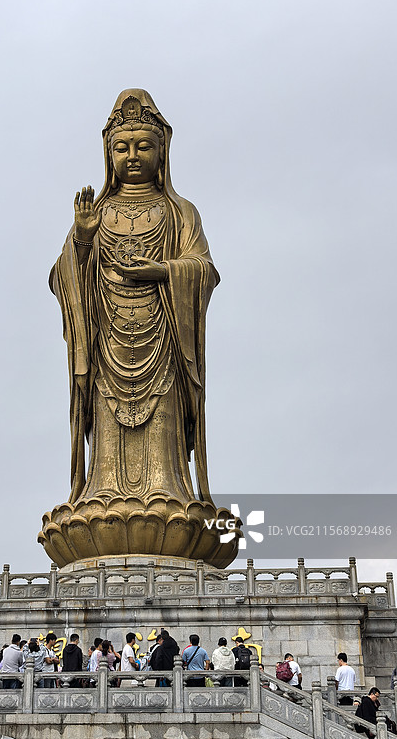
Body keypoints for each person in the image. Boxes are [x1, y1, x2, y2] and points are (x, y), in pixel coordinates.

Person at [42, 88, 235, 570]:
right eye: (122, 147)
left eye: (143, 146)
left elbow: (203, 269)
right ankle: (101, 490)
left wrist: (163, 272)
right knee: (107, 429)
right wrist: (83, 239)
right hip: (106, 340)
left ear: (162, 151)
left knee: (164, 439)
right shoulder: (97, 213)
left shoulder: (179, 212)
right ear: (108, 153)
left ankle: (169, 489)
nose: (132, 157)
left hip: (165, 337)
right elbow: (63, 278)